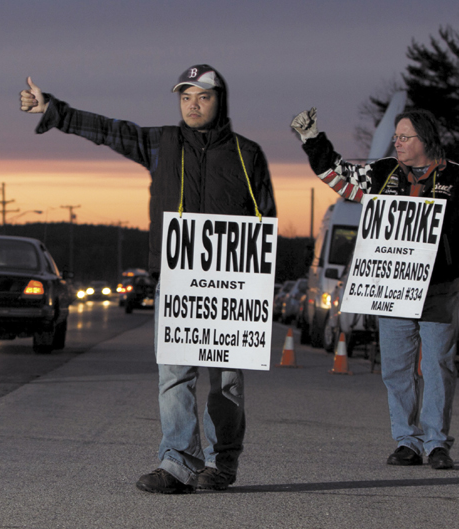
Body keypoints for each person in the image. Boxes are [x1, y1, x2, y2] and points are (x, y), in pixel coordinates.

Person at [20, 65, 276, 493]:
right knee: (174, 374)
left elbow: (264, 218)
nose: (193, 105)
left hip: (233, 283)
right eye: (185, 97)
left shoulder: (246, 153)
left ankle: (222, 462)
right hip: (178, 282)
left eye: (203, 96)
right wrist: (56, 111)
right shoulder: (162, 144)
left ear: (220, 100)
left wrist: (261, 285)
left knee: (227, 380)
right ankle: (178, 461)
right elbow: (109, 130)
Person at [291, 107, 459, 470]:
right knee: (395, 369)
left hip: (440, 290)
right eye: (396, 136)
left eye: (405, 137)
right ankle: (407, 441)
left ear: (426, 140)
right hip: (392, 290)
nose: (398, 142)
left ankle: (437, 443)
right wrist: (313, 140)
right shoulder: (381, 172)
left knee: (437, 366)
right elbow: (337, 175)